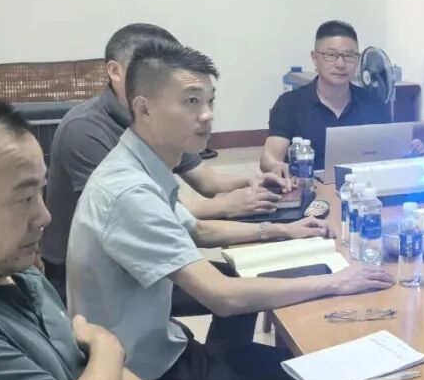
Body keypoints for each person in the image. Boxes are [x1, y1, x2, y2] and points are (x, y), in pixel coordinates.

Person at [0, 97, 378, 380]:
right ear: (144, 108)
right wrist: (107, 346)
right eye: (23, 198)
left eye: (42, 191)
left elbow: (111, 377)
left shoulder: (20, 273)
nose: (45, 216)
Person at [67, 41, 394, 380]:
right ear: (144, 108)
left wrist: (282, 230)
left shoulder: (138, 165)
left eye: (209, 101)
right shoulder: (129, 192)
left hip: (165, 351)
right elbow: (221, 296)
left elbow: (198, 229)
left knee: (315, 367)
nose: (207, 115)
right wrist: (335, 283)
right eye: (191, 101)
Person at [43, 23, 288, 299]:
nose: (206, 114)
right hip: (91, 276)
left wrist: (252, 183)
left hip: (136, 248)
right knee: (241, 288)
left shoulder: (164, 123)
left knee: (244, 278)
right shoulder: (85, 130)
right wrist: (226, 206)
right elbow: (150, 211)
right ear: (115, 71)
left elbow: (206, 182)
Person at [261, 20, 394, 180]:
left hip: (362, 186)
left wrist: (411, 150)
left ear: (358, 60)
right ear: (314, 58)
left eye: (349, 56)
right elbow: (269, 157)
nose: (340, 64)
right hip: (308, 187)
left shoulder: (373, 104)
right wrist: (275, 165)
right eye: (331, 55)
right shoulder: (289, 104)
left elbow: (390, 153)